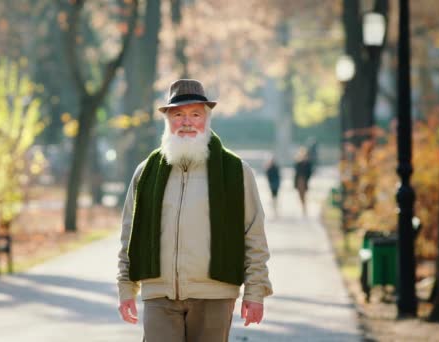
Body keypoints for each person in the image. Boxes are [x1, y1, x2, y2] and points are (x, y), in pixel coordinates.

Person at [117, 79, 273, 342]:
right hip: (159, 294)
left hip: (215, 295)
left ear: (207, 119)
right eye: (178, 114)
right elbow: (129, 235)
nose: (186, 122)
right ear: (167, 119)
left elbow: (253, 235)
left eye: (195, 114)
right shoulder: (146, 173)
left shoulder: (235, 171)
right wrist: (125, 289)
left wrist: (255, 293)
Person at [293, 147, 312, 217]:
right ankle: (303, 206)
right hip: (299, 181)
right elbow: (296, 172)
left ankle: (304, 208)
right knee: (300, 196)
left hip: (304, 181)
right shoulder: (298, 162)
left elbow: (309, 172)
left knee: (304, 195)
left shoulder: (307, 163)